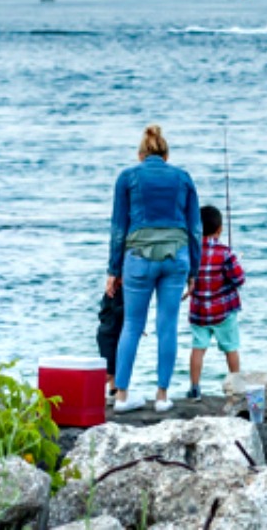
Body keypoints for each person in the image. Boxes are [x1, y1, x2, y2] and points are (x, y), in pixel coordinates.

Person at [107, 125, 201, 414]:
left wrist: (113, 270)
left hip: (137, 257)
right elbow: (195, 229)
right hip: (176, 257)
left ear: (140, 154)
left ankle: (121, 396)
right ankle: (162, 396)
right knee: (167, 325)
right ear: (166, 154)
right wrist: (194, 271)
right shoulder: (183, 178)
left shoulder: (127, 178)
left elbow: (118, 228)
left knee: (132, 325)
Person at [185, 205, 246, 402]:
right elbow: (239, 280)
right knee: (230, 348)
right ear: (220, 230)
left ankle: (194, 389)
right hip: (223, 312)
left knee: (198, 348)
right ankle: (236, 388)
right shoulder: (226, 253)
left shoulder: (191, 253)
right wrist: (237, 261)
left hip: (199, 312)